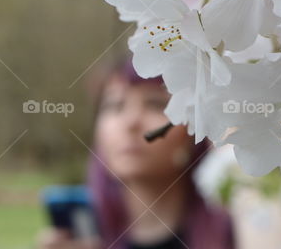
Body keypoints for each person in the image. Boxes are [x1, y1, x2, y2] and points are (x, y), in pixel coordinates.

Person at [37, 57, 234, 249]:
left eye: (155, 104)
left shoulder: (239, 228)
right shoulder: (84, 236)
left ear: (197, 129)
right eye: (115, 106)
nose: (130, 122)